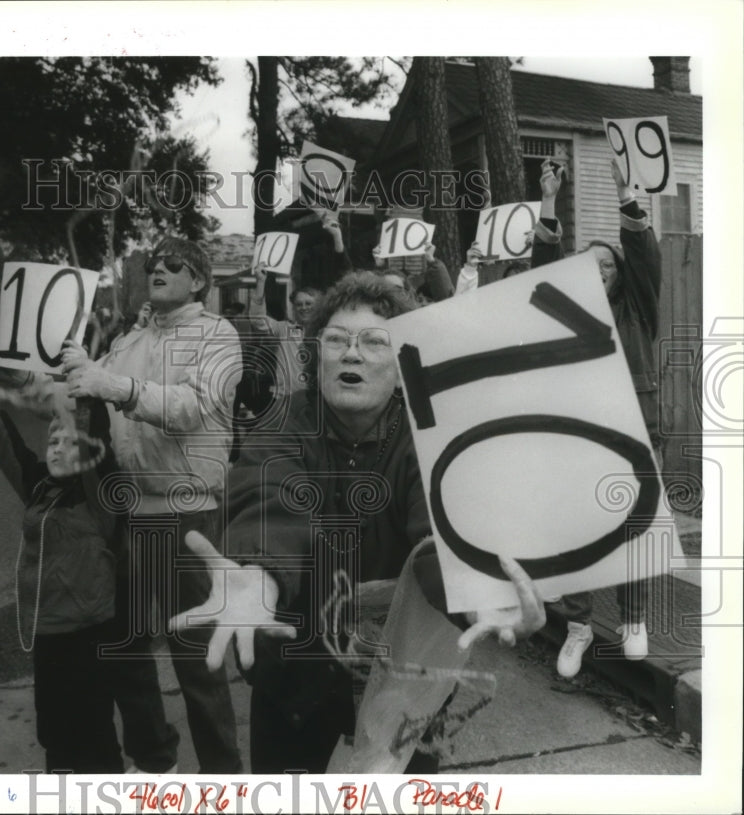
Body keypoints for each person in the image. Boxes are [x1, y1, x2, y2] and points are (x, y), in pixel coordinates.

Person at [169, 272, 546, 773]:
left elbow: (438, 534)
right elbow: (268, 497)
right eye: (337, 340)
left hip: (406, 676)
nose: (352, 353)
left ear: (402, 364)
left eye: (374, 342)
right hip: (294, 668)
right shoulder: (281, 422)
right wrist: (258, 575)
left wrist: (477, 596)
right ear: (315, 355)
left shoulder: (430, 436)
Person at [62, 236, 244, 773]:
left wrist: (113, 385)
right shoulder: (128, 340)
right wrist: (69, 368)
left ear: (200, 281)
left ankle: (224, 779)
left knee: (197, 662)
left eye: (174, 265)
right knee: (128, 647)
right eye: (153, 264)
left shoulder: (219, 334)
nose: (158, 269)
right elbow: (95, 390)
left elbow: (192, 407)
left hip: (188, 513)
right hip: (130, 512)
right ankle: (155, 761)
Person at [0, 354, 124, 773]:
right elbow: (9, 450)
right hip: (47, 633)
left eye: (67, 441)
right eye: (51, 441)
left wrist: (83, 388)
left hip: (88, 635)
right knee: (55, 736)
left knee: (94, 735)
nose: (57, 446)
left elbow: (93, 434)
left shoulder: (99, 496)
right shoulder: (40, 488)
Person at [531, 157, 661, 677]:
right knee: (580, 528)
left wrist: (626, 193)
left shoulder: (639, 309)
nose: (598, 271)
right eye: (589, 265)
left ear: (621, 275)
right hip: (580, 435)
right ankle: (578, 627)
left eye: (607, 265)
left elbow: (645, 253)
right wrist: (548, 199)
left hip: (633, 430)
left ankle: (633, 620)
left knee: (635, 524)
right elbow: (543, 268)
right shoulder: (564, 312)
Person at [249, 263, 321, 399]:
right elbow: (257, 320)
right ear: (294, 308)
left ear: (319, 306)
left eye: (308, 303)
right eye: (299, 304)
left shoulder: (327, 333)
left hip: (318, 400)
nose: (303, 308)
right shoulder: (284, 329)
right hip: (286, 399)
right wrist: (260, 282)